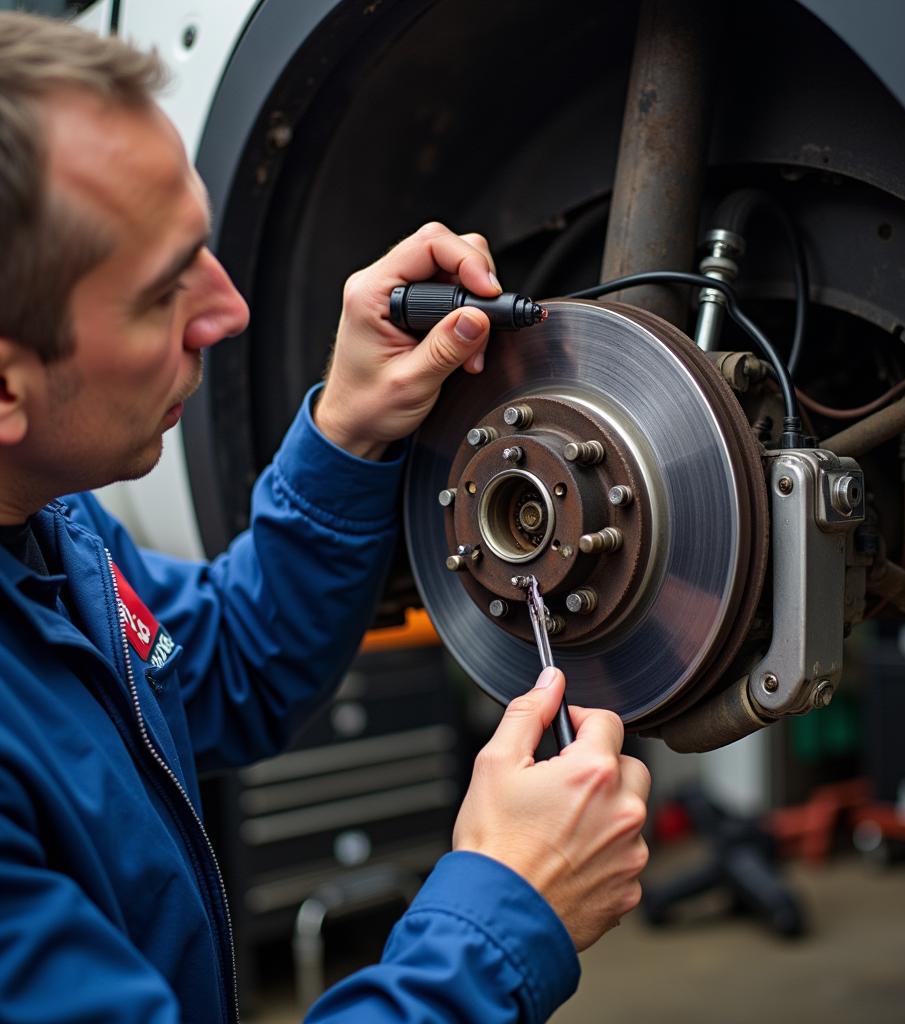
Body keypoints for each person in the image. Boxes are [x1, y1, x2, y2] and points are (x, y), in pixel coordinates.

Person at [0, 12, 650, 1024]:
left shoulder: (43, 533)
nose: (230, 311)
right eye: (163, 291)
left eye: (205, 250)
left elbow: (224, 661)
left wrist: (345, 435)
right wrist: (500, 919)